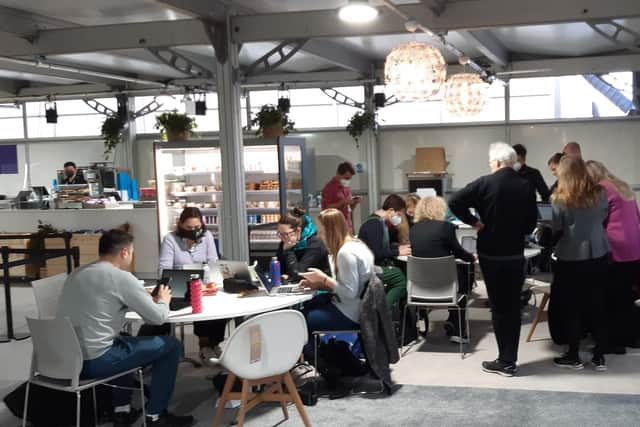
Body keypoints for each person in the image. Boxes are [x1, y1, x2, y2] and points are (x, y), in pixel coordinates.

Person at [57, 229, 194, 427]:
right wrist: (163, 301)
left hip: (64, 360)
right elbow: (158, 318)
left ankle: (121, 409)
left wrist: (141, 297)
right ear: (124, 252)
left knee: (122, 339)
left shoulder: (77, 273)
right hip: (95, 361)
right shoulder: (121, 278)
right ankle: (156, 415)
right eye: (131, 252)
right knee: (171, 345)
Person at [449, 142, 537, 377]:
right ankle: (511, 358)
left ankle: (504, 360)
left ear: (497, 162)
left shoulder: (484, 183)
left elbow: (454, 201)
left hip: (490, 254)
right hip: (515, 254)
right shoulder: (525, 185)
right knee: (513, 307)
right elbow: (531, 223)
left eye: (490, 162)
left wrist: (475, 222)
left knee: (498, 308)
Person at [551, 156, 609, 371]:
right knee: (598, 304)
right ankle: (600, 356)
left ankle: (573, 355)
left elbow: (558, 228)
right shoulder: (600, 193)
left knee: (572, 307)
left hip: (571, 256)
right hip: (600, 252)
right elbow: (604, 217)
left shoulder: (559, 198)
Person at [297, 209, 375, 359]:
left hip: (351, 313)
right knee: (309, 308)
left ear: (331, 231)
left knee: (298, 320)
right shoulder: (356, 245)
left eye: (321, 231)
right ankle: (324, 359)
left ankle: (320, 364)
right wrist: (319, 285)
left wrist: (324, 279)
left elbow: (349, 292)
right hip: (360, 308)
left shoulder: (346, 254)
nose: (319, 236)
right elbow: (350, 287)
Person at [158, 207, 224, 363]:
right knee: (196, 304)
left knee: (218, 304)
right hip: (180, 286)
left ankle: (215, 342)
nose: (193, 231)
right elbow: (164, 269)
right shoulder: (170, 239)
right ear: (180, 224)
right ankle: (204, 344)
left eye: (196, 228)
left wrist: (207, 281)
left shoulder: (206, 236)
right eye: (188, 228)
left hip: (204, 284)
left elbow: (213, 261)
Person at [586, 160, 640, 350]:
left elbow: (595, 219)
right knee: (626, 295)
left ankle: (613, 342)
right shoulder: (622, 186)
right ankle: (631, 337)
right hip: (635, 248)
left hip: (616, 248)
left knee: (610, 297)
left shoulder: (601, 189)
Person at [410, 196, 475, 343]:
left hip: (420, 287)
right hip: (445, 286)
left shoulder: (414, 229)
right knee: (464, 274)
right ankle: (458, 329)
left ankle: (422, 327)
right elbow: (459, 252)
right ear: (440, 209)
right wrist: (471, 258)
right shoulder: (446, 227)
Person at [358, 194, 411, 308]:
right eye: (399, 214)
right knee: (401, 280)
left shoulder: (378, 223)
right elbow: (377, 253)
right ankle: (381, 310)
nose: (399, 218)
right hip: (370, 267)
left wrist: (397, 248)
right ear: (391, 210)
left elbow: (380, 247)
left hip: (372, 265)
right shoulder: (374, 224)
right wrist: (397, 252)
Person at [276, 207, 331, 283]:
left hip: (319, 288)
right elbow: (279, 271)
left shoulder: (315, 244)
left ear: (298, 231)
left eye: (285, 234)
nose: (282, 238)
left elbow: (298, 274)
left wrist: (288, 252)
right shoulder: (285, 243)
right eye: (279, 234)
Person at [321, 162, 362, 232]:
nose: (348, 180)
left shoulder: (346, 188)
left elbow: (349, 209)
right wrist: (341, 203)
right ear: (338, 174)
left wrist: (354, 203)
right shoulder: (329, 188)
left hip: (347, 225)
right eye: (346, 178)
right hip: (335, 228)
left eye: (349, 179)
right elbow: (326, 209)